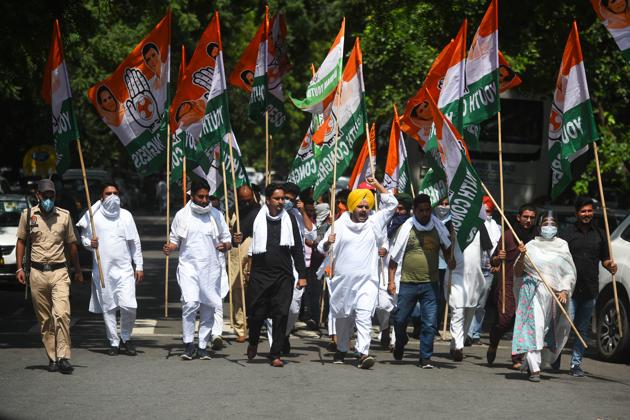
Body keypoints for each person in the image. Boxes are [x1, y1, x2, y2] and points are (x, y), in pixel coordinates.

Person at [318, 177, 397, 369]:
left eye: (366, 206)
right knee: (344, 318)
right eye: (360, 206)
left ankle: (363, 353)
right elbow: (322, 248)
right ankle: (342, 349)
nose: (364, 210)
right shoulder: (339, 224)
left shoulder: (374, 222)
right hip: (343, 282)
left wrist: (377, 186)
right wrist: (328, 241)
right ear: (352, 206)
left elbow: (392, 204)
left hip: (367, 281)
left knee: (363, 316)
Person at [15, 179, 83, 374]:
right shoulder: (28, 216)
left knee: (62, 314)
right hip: (37, 273)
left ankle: (63, 357)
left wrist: (77, 270)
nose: (48, 199)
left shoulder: (64, 216)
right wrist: (20, 268)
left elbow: (72, 244)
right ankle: (52, 357)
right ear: (38, 195)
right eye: (45, 195)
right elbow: (21, 241)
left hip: (60, 271)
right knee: (45, 320)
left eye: (51, 195)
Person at [162, 179, 232, 360]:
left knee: (208, 307)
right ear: (192, 196)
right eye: (200, 196)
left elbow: (227, 240)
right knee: (190, 304)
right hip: (189, 268)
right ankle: (188, 344)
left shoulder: (216, 215)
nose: (204, 200)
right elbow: (174, 240)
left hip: (211, 269)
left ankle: (202, 346)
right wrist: (169, 247)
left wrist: (226, 245)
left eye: (206, 196)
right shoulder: (181, 215)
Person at [240, 182, 306, 367]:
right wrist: (235, 238)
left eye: (283, 198)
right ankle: (253, 341)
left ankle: (275, 353)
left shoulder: (289, 219)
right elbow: (240, 234)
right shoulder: (256, 217)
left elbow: (297, 248)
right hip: (260, 274)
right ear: (268, 200)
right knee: (256, 314)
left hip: (283, 275)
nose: (280, 202)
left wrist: (302, 274)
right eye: (276, 198)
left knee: (281, 314)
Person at [77, 183, 143, 356]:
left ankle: (126, 337)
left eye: (115, 193)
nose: (112, 196)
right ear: (101, 197)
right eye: (108, 193)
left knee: (129, 306)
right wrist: (89, 244)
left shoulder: (126, 216)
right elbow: (84, 237)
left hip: (124, 270)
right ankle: (114, 342)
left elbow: (134, 242)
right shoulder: (94, 216)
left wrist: (139, 265)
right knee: (109, 307)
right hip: (103, 270)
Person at [388, 194, 452, 368]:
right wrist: (391, 282)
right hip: (408, 283)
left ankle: (425, 357)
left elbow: (448, 251)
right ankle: (400, 342)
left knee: (430, 323)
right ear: (414, 211)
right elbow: (393, 260)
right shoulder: (406, 229)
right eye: (421, 210)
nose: (425, 214)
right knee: (400, 320)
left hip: (430, 285)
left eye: (428, 210)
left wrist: (451, 260)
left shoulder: (438, 228)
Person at [512, 213, 576, 382]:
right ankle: (535, 369)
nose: (549, 227)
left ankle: (529, 362)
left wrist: (564, 290)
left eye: (552, 223)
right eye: (545, 223)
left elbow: (568, 272)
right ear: (539, 226)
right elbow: (518, 271)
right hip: (532, 291)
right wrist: (522, 255)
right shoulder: (531, 245)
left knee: (545, 330)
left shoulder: (562, 246)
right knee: (535, 327)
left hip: (553, 296)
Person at [558, 197, 617, 377]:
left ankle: (576, 364)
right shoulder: (566, 234)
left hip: (590, 289)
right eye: (583, 211)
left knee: (582, 329)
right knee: (564, 326)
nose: (587, 214)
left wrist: (611, 265)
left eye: (589, 211)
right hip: (569, 289)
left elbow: (605, 259)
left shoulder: (600, 234)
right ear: (577, 214)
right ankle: (555, 357)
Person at [487, 203, 539, 368]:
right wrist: (498, 257)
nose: (528, 220)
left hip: (529, 285)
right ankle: (494, 341)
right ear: (518, 217)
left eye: (532, 217)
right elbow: (493, 260)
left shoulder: (537, 239)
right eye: (525, 216)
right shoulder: (508, 235)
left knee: (522, 321)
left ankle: (517, 358)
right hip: (508, 283)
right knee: (505, 320)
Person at [448, 207, 494, 362]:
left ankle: (455, 343)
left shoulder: (480, 226)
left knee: (468, 312)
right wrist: (448, 256)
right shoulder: (451, 224)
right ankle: (459, 346)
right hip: (455, 275)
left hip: (474, 278)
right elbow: (442, 246)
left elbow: (489, 249)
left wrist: (496, 261)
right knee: (457, 309)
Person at [228, 185, 261, 343]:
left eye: (249, 200)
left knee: (255, 294)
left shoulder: (260, 213)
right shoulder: (232, 212)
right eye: (243, 201)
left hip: (256, 258)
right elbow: (224, 234)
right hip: (237, 259)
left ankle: (255, 326)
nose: (247, 204)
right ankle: (241, 328)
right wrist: (232, 236)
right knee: (238, 292)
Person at [467, 196, 501, 344]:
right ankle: (467, 332)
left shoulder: (498, 228)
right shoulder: (472, 226)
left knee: (481, 303)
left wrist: (498, 263)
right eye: (483, 211)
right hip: (473, 267)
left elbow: (499, 249)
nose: (486, 214)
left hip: (489, 269)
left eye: (488, 211)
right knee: (470, 301)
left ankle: (474, 332)